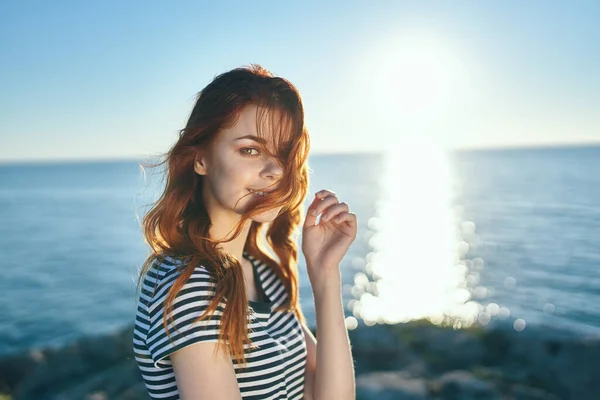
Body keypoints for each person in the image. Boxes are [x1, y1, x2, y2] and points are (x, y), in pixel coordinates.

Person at [133, 64, 357, 400]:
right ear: (200, 160)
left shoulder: (263, 270)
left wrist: (325, 274)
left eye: (283, 154)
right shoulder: (190, 286)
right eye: (250, 150)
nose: (274, 170)